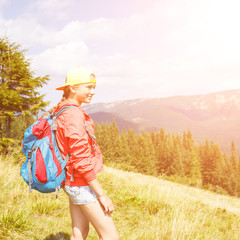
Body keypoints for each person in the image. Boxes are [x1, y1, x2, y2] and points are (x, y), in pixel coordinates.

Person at [53, 66, 119, 240]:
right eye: (88, 87)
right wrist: (102, 195)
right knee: (110, 236)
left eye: (94, 88)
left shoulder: (62, 109)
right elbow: (81, 160)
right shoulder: (73, 115)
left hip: (71, 181)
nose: (93, 92)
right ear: (73, 88)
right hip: (80, 183)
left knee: (79, 232)